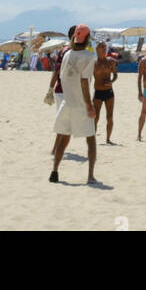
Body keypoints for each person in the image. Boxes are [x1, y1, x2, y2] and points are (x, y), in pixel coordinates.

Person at [50, 24, 98, 185]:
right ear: (87, 38)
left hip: (66, 102)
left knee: (63, 138)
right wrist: (89, 105)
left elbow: (61, 78)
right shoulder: (89, 56)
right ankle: (90, 176)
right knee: (90, 139)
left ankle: (54, 171)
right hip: (80, 104)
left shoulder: (66, 54)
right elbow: (84, 81)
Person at [44, 26, 76, 156]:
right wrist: (50, 89)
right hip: (63, 91)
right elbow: (57, 71)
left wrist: (51, 88)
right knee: (65, 123)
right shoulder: (68, 51)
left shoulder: (68, 50)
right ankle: (55, 150)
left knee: (65, 122)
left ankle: (56, 150)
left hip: (64, 91)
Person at [93, 41, 118, 143]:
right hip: (98, 91)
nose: (104, 49)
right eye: (101, 47)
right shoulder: (94, 63)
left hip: (109, 92)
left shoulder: (111, 61)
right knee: (95, 117)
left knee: (110, 117)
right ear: (97, 49)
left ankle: (108, 139)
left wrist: (111, 81)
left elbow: (115, 75)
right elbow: (87, 78)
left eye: (105, 47)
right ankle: (93, 138)